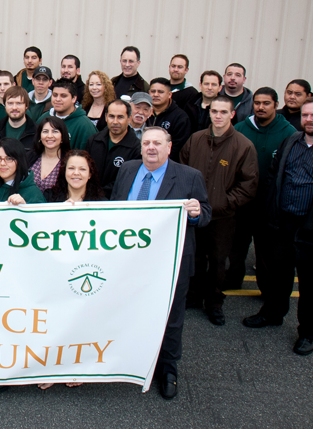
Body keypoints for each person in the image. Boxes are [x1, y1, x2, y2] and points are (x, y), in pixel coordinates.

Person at [242, 97, 313, 356]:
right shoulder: (291, 141)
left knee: (312, 284)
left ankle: (310, 332)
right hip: (283, 223)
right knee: (278, 274)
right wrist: (271, 209)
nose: (309, 120)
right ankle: (273, 313)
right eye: (306, 115)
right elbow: (274, 175)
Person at [109, 126, 211, 399]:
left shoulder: (190, 176)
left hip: (170, 261)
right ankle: (132, 358)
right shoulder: (128, 170)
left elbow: (205, 213)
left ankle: (168, 368)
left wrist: (196, 213)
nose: (151, 148)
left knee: (171, 315)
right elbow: (115, 206)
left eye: (157, 143)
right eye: (146, 143)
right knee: (130, 309)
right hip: (129, 260)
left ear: (169, 146)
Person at [180, 96, 258, 326]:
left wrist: (224, 203)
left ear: (232, 114)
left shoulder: (243, 145)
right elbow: (182, 169)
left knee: (217, 261)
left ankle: (214, 303)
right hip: (194, 214)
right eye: (214, 111)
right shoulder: (195, 139)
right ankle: (193, 296)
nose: (218, 116)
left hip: (222, 217)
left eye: (224, 112)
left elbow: (249, 184)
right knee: (194, 257)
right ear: (209, 112)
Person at [228, 87, 297, 292]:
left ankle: (266, 288)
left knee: (266, 248)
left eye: (266, 103)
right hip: (242, 199)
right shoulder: (240, 128)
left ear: (276, 105)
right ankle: (232, 280)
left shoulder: (289, 133)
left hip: (269, 202)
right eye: (257, 103)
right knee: (237, 244)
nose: (260, 107)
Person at [85, 99, 141, 196]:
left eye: (120, 117)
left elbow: (128, 180)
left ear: (129, 118)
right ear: (106, 117)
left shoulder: (136, 148)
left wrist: (101, 195)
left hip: (117, 200)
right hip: (90, 197)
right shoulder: (93, 141)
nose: (115, 122)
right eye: (111, 116)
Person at [37, 78, 97, 150]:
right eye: (55, 95)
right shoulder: (43, 118)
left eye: (63, 96)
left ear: (74, 99)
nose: (58, 99)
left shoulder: (85, 126)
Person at [0, 138, 46, 204]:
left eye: (9, 159)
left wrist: (25, 207)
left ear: (19, 161)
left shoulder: (33, 193)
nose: (2, 163)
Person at [146, 78, 191, 160]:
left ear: (170, 94)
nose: (156, 94)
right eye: (153, 91)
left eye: (160, 92)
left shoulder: (180, 117)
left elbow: (178, 148)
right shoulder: (143, 113)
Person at [28, 116, 71, 192]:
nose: (50, 136)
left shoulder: (69, 161)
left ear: (62, 136)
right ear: (40, 136)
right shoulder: (29, 157)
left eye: (55, 131)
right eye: (45, 131)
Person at [0, 86, 36, 151]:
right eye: (10, 103)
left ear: (26, 106)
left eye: (19, 103)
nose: (14, 107)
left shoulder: (36, 132)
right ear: (5, 105)